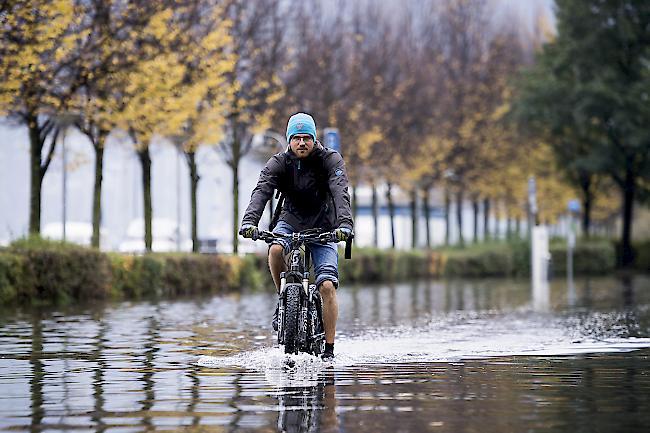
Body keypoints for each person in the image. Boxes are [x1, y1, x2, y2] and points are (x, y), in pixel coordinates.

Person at [239, 112, 353, 361]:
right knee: (276, 249)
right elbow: (261, 191)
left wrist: (344, 224)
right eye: (297, 138)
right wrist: (250, 221)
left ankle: (330, 348)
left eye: (307, 138)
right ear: (289, 140)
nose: (302, 143)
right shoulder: (278, 163)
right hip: (289, 222)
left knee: (326, 286)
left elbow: (340, 192)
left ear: (314, 139)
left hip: (324, 227)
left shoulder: (330, 160)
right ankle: (283, 300)